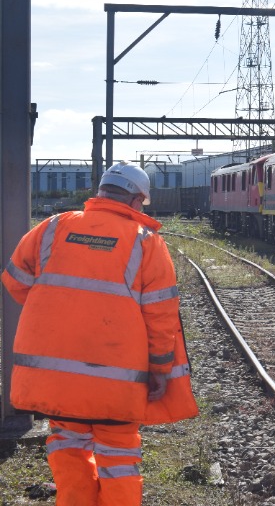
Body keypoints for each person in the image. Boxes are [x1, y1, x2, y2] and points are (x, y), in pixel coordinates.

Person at [2, 161, 198, 506]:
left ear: (101, 192)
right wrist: (161, 370)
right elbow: (161, 318)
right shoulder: (146, 243)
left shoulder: (51, 227)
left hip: (55, 378)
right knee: (118, 456)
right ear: (137, 200)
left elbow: (15, 282)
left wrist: (60, 313)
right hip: (118, 382)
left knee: (68, 446)